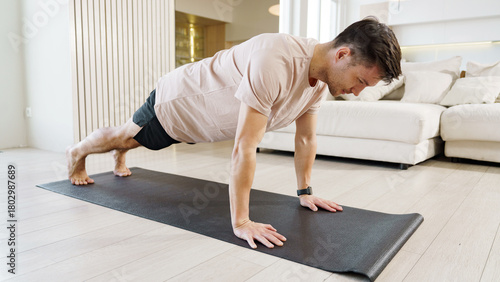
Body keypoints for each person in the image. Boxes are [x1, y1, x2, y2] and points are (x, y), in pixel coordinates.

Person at [67, 17, 402, 249]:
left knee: (134, 140)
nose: (357, 91)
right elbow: (245, 146)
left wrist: (306, 191)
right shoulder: (277, 58)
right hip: (178, 102)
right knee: (127, 135)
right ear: (342, 55)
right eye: (360, 81)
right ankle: (78, 153)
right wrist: (241, 222)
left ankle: (121, 152)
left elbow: (306, 138)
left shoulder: (320, 85)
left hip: (203, 124)